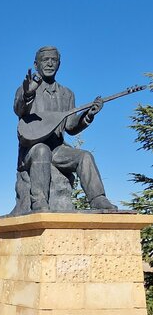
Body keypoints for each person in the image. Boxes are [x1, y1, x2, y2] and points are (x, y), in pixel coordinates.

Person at [12, 46, 118, 213]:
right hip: (31, 149)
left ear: (59, 64)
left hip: (58, 149)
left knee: (85, 156)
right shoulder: (27, 88)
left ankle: (98, 198)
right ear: (36, 64)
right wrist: (28, 94)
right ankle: (39, 201)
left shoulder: (67, 94)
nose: (50, 64)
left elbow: (70, 126)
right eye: (45, 60)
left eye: (54, 60)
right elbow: (19, 110)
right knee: (41, 150)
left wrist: (88, 115)